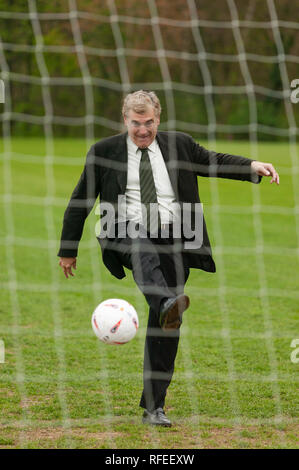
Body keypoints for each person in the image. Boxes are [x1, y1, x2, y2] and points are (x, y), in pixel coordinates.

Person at [58, 90, 279, 427]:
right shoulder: (104, 152)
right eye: (136, 123)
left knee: (167, 324)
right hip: (123, 231)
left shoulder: (179, 144)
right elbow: (80, 200)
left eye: (148, 123)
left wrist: (252, 165)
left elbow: (212, 161)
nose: (142, 130)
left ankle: (154, 406)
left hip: (176, 237)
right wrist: (68, 250)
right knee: (141, 246)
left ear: (157, 119)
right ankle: (165, 302)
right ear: (125, 120)